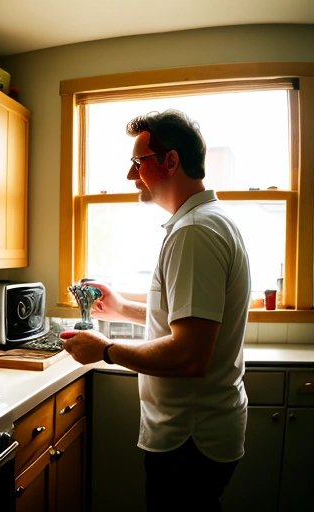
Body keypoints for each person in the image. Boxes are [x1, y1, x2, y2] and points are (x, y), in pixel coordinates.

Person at [61, 109, 251, 511]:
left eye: (137, 163)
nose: (131, 176)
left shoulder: (195, 232)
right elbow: (184, 318)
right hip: (200, 434)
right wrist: (122, 308)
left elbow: (188, 355)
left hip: (190, 439)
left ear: (169, 161)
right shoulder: (204, 222)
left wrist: (104, 350)